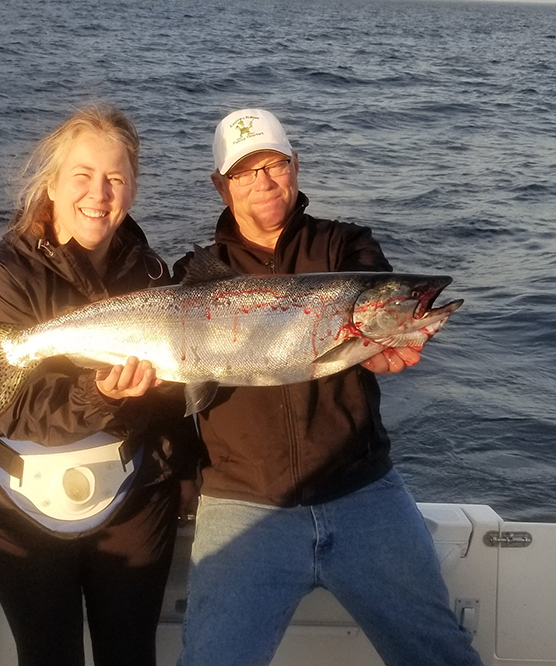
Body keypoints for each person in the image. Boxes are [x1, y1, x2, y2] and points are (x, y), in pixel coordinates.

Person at [175, 109, 484, 666]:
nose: (263, 183)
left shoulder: (346, 248)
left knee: (442, 655)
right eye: (245, 173)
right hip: (242, 503)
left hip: (362, 493)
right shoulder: (196, 273)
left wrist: (388, 352)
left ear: (295, 165)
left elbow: (382, 325)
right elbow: (170, 382)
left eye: (273, 165)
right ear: (220, 185)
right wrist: (120, 386)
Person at [0, 104, 199, 666]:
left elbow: (173, 394)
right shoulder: (6, 274)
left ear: (133, 188)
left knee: (131, 653)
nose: (99, 193)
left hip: (133, 490)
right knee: (49, 655)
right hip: (17, 496)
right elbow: (6, 414)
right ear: (53, 184)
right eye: (83, 176)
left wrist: (183, 468)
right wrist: (101, 395)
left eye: (115, 178)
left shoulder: (153, 274)